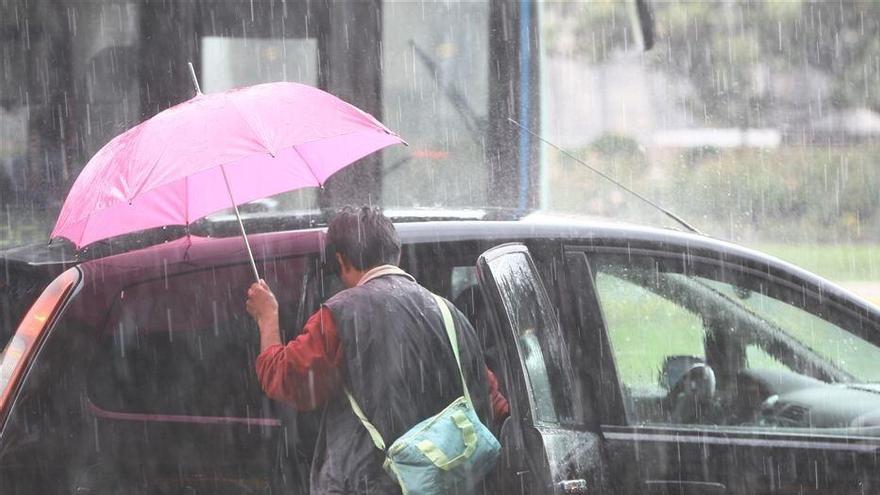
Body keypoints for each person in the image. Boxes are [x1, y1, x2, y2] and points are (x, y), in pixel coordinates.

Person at [246, 205, 509, 494]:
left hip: (365, 484)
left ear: (340, 260)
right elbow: (488, 399)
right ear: (397, 253)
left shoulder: (340, 315)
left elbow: (288, 379)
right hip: (446, 484)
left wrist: (267, 318)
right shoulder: (449, 313)